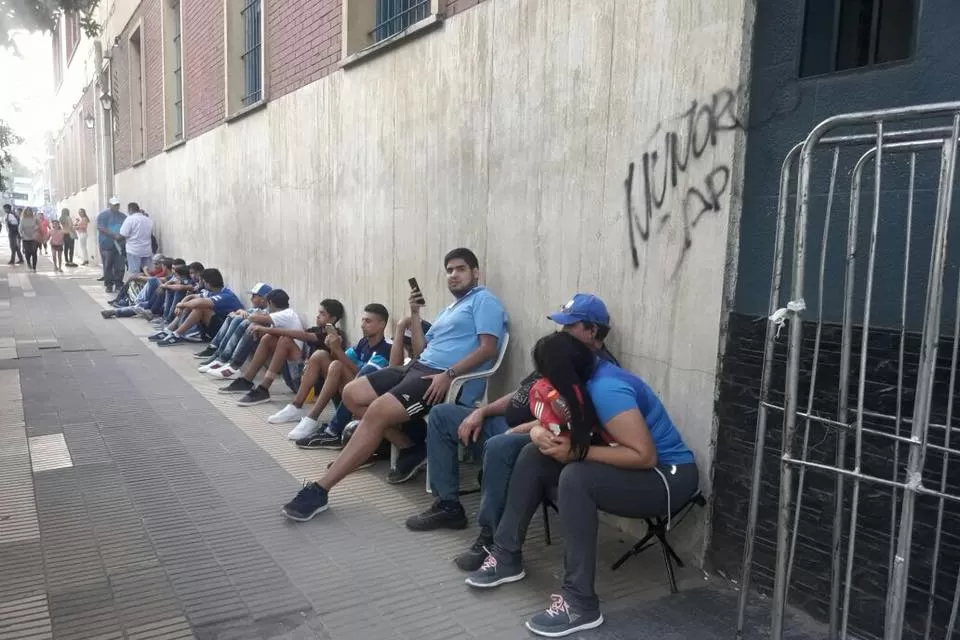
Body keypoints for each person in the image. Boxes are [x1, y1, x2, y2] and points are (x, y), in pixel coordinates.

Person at [463, 333, 698, 637]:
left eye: (549, 375)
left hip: (668, 478)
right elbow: (550, 423)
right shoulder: (581, 384)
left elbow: (645, 456)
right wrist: (536, 434)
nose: (545, 382)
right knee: (534, 454)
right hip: (641, 470)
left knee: (577, 477)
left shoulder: (608, 389)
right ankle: (506, 556)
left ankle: (580, 602)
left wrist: (578, 453)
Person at [280, 247, 507, 521]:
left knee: (375, 411)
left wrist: (448, 374)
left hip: (439, 379)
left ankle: (320, 489)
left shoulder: (484, 301)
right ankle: (410, 446)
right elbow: (422, 348)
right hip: (416, 367)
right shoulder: (451, 309)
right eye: (449, 270)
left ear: (475, 273)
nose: (453, 275)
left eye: (460, 269)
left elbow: (488, 349)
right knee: (352, 394)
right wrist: (414, 313)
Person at [405, 294, 620, 563]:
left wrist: (526, 428)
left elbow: (578, 419)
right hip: (507, 424)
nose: (562, 331)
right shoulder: (559, 353)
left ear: (593, 331)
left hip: (540, 437)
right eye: (562, 325)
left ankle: (491, 537)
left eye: (570, 326)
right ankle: (448, 505)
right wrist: (481, 412)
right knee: (441, 415)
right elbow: (523, 393)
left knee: (499, 446)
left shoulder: (598, 369)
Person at [278, 303, 393, 439]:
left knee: (337, 366)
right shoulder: (364, 342)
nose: (362, 325)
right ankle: (296, 406)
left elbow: (364, 379)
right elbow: (339, 360)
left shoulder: (386, 348)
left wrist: (338, 350)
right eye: (362, 320)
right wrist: (332, 347)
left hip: (363, 397)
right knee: (320, 355)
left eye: (368, 321)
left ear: (382, 324)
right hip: (347, 392)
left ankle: (312, 418)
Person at [218, 297, 340, 406]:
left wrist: (265, 329)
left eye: (322, 314)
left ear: (333, 319)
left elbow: (301, 335)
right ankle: (246, 381)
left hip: (311, 387)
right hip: (297, 377)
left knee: (285, 340)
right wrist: (264, 331)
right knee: (269, 338)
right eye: (318, 312)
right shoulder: (315, 329)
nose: (318, 316)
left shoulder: (333, 335)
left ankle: (264, 388)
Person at [154, 268, 244, 346]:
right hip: (218, 327)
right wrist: (182, 303)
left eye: (202, 281)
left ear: (207, 282)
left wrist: (180, 305)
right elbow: (191, 297)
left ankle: (177, 334)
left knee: (200, 307)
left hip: (226, 332)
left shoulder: (226, 295)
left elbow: (199, 302)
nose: (200, 283)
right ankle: (169, 330)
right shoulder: (212, 292)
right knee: (192, 304)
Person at [195, 282, 272, 368]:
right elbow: (244, 312)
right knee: (232, 316)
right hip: (252, 333)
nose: (251, 299)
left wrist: (243, 314)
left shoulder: (269, 310)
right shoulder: (257, 308)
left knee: (239, 319)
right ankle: (217, 353)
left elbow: (256, 317)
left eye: (254, 296)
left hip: (259, 336)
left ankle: (224, 358)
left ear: (263, 298)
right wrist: (239, 312)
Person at [96, 196, 127, 292]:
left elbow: (126, 228)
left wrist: (121, 236)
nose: (116, 207)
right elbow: (101, 228)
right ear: (110, 205)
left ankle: (118, 283)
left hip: (120, 244)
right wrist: (114, 235)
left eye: (117, 205)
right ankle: (109, 284)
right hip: (107, 243)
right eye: (114, 205)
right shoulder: (102, 215)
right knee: (108, 264)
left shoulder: (123, 216)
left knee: (120, 264)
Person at [118, 202, 155, 280]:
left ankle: (135, 290)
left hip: (133, 250)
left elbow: (123, 234)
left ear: (130, 209)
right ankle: (145, 290)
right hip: (147, 250)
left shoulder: (130, 219)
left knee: (134, 274)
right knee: (147, 272)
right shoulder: (148, 220)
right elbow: (150, 234)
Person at [18, 207, 39, 272]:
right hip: (25, 238)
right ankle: (28, 263)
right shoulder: (23, 219)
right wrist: (22, 235)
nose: (29, 212)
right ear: (25, 212)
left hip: (34, 238)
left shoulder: (34, 218)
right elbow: (20, 229)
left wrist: (36, 229)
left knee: (34, 253)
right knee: (27, 253)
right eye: (27, 211)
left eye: (30, 211)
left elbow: (38, 225)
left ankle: (34, 267)